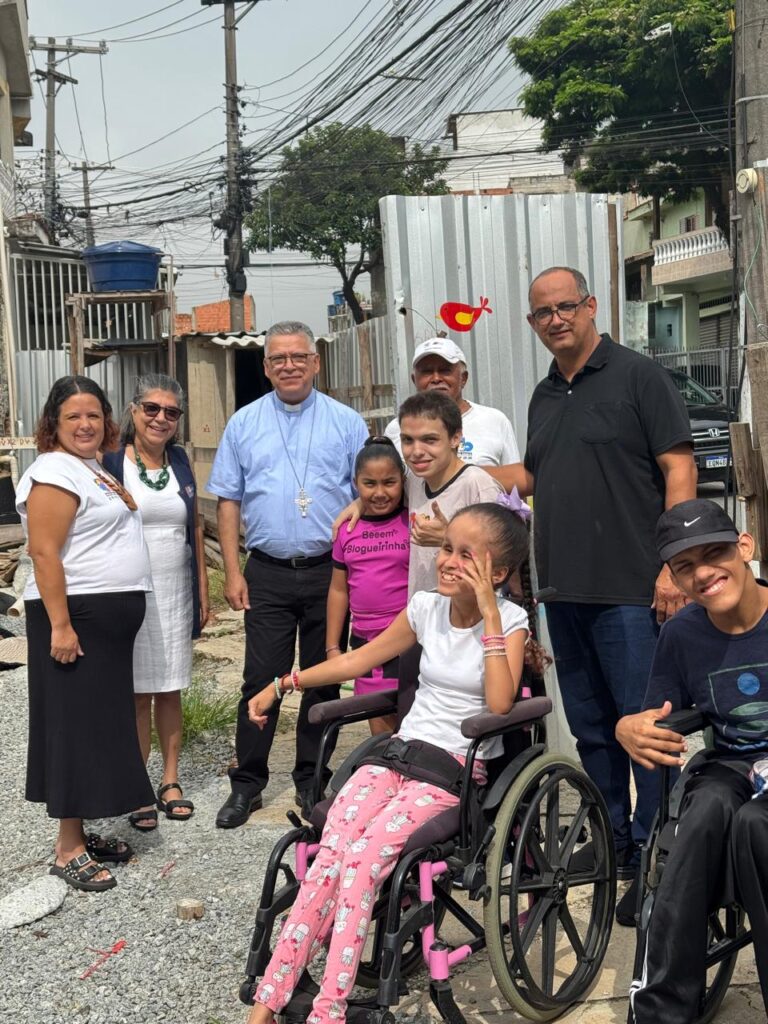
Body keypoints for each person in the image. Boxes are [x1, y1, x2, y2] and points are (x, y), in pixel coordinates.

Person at [245, 498, 533, 1024]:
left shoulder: (511, 622)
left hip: (451, 772)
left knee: (361, 865)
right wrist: (283, 683)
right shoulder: (424, 608)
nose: (448, 561)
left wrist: (490, 613)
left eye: (465, 555)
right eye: (447, 548)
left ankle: (329, 1011)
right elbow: (360, 658)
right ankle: (267, 1002)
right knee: (330, 854)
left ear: (497, 572)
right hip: (396, 757)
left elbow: (498, 703)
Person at [488, 266, 697, 915]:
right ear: (532, 323)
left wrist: (674, 565)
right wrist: (451, 472)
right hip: (562, 594)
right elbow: (534, 474)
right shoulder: (544, 395)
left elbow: (679, 468)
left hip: (632, 592)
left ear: (591, 306)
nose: (556, 319)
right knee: (593, 732)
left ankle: (659, 858)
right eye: (543, 312)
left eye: (566, 306)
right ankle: (614, 846)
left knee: (645, 728)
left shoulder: (640, 377)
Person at [207, 320, 369, 827]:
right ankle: (248, 783)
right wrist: (233, 571)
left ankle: (311, 778)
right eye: (278, 358)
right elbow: (228, 500)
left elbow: (370, 491)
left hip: (330, 574)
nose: (289, 366)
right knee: (260, 678)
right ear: (266, 366)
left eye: (299, 356)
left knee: (324, 678)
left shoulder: (346, 422)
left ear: (316, 362)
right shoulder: (244, 423)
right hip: (268, 572)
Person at [616, 499, 768, 1021]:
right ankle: (660, 1011)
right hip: (730, 764)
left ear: (744, 547)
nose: (703, 573)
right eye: (685, 565)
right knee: (699, 818)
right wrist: (626, 728)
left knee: (756, 825)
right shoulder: (681, 634)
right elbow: (655, 715)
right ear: (674, 578)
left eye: (714, 553)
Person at [15, 376, 154, 893]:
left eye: (93, 414)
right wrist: (60, 625)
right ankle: (67, 847)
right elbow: (44, 552)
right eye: (73, 416)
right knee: (73, 728)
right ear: (53, 423)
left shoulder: (91, 468)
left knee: (97, 727)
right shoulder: (53, 471)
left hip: (104, 622)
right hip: (75, 617)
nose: (85, 424)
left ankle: (82, 831)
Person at [103, 373, 209, 832]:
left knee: (170, 686)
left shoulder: (180, 460)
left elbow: (195, 527)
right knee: (136, 691)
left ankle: (170, 779)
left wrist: (202, 590)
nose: (161, 418)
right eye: (152, 408)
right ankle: (137, 785)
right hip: (129, 590)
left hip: (174, 590)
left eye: (171, 412)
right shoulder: (111, 460)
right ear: (133, 410)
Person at [326, 436, 409, 735]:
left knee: (414, 730)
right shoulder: (346, 530)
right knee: (382, 736)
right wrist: (332, 646)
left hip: (409, 642)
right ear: (355, 484)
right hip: (367, 646)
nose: (380, 492)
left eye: (389, 482)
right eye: (369, 484)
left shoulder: (413, 521)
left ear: (403, 481)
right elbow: (339, 591)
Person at [384, 336, 520, 466]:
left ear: (463, 378)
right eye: (427, 371)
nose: (436, 378)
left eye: (445, 371)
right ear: (414, 380)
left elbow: (515, 477)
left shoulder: (494, 421)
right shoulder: (397, 428)